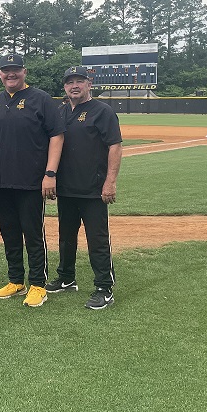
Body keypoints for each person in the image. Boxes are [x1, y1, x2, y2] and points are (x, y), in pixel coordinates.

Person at [0, 53, 65, 308]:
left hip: (31, 181)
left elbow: (57, 136)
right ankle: (16, 280)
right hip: (2, 181)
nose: (11, 74)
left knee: (32, 233)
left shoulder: (40, 99)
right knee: (9, 233)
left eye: (15, 70)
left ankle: (38, 284)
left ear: (24, 72)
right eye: (6, 70)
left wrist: (50, 174)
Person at [49, 66, 123, 310]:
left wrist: (110, 182)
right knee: (66, 236)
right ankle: (66, 278)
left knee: (97, 239)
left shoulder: (102, 111)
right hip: (66, 187)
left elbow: (114, 146)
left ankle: (104, 287)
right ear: (65, 87)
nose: (74, 86)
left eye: (79, 81)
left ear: (89, 84)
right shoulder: (59, 112)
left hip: (93, 188)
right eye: (70, 82)